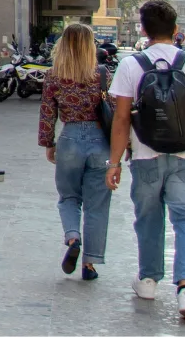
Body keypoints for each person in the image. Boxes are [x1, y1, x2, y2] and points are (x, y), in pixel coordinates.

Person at [106, 0, 185, 321]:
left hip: (145, 154)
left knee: (148, 216)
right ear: (176, 30)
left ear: (143, 30)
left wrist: (114, 163)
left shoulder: (132, 65)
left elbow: (120, 119)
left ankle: (148, 280)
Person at [40, 23, 112, 282]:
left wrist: (49, 143)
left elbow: (48, 113)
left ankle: (73, 236)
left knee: (68, 197)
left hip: (69, 138)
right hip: (99, 141)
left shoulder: (53, 76)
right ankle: (90, 264)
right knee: (97, 205)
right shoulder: (102, 74)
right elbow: (113, 110)